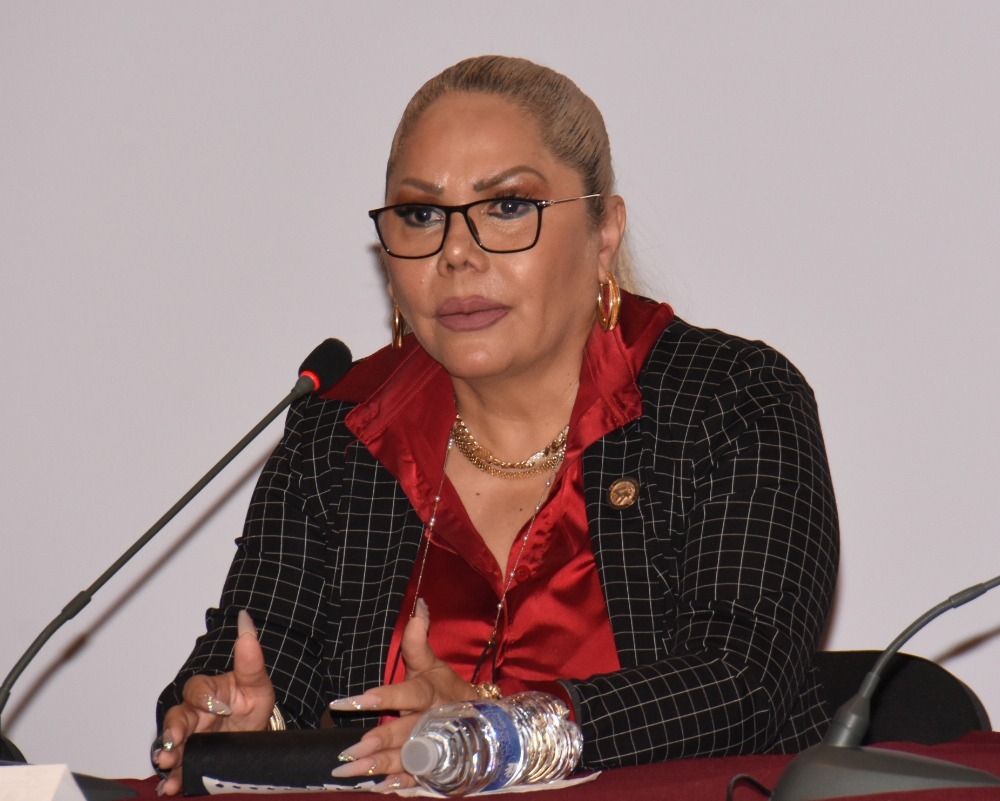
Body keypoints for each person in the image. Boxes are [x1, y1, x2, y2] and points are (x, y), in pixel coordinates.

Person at [153, 55, 839, 795]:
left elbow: (740, 681)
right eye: (421, 215)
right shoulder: (338, 433)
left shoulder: (732, 401)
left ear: (604, 231)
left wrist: (498, 733)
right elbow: (259, 655)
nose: (456, 253)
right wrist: (241, 727)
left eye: (507, 206)